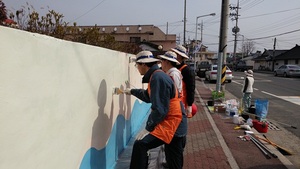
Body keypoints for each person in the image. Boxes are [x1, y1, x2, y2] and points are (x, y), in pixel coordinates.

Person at [125, 50, 187, 169]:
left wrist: (148, 128)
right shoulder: (157, 75)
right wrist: (131, 91)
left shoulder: (157, 78)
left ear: (143, 64)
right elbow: (149, 97)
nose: (137, 68)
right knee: (173, 160)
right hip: (173, 120)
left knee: (141, 144)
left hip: (172, 122)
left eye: (137, 65)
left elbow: (160, 109)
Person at [157, 51, 187, 168]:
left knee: (174, 147)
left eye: (162, 61)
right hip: (178, 109)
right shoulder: (175, 72)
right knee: (176, 149)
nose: (161, 63)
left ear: (167, 62)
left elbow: (170, 94)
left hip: (175, 111)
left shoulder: (172, 74)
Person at [171, 45, 195, 118]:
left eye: (175, 53)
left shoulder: (186, 70)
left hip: (181, 104)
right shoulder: (170, 67)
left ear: (179, 56)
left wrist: (189, 105)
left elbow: (191, 88)